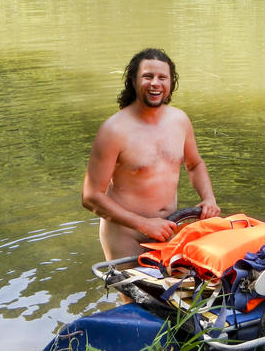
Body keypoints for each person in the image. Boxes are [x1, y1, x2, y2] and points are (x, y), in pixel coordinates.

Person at [82, 48, 221, 260]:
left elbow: (194, 165)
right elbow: (90, 197)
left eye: (162, 77)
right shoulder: (113, 130)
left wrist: (208, 198)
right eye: (147, 76)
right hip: (126, 234)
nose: (155, 83)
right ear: (134, 81)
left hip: (169, 227)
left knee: (176, 291)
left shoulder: (180, 120)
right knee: (133, 293)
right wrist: (144, 224)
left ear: (171, 83)